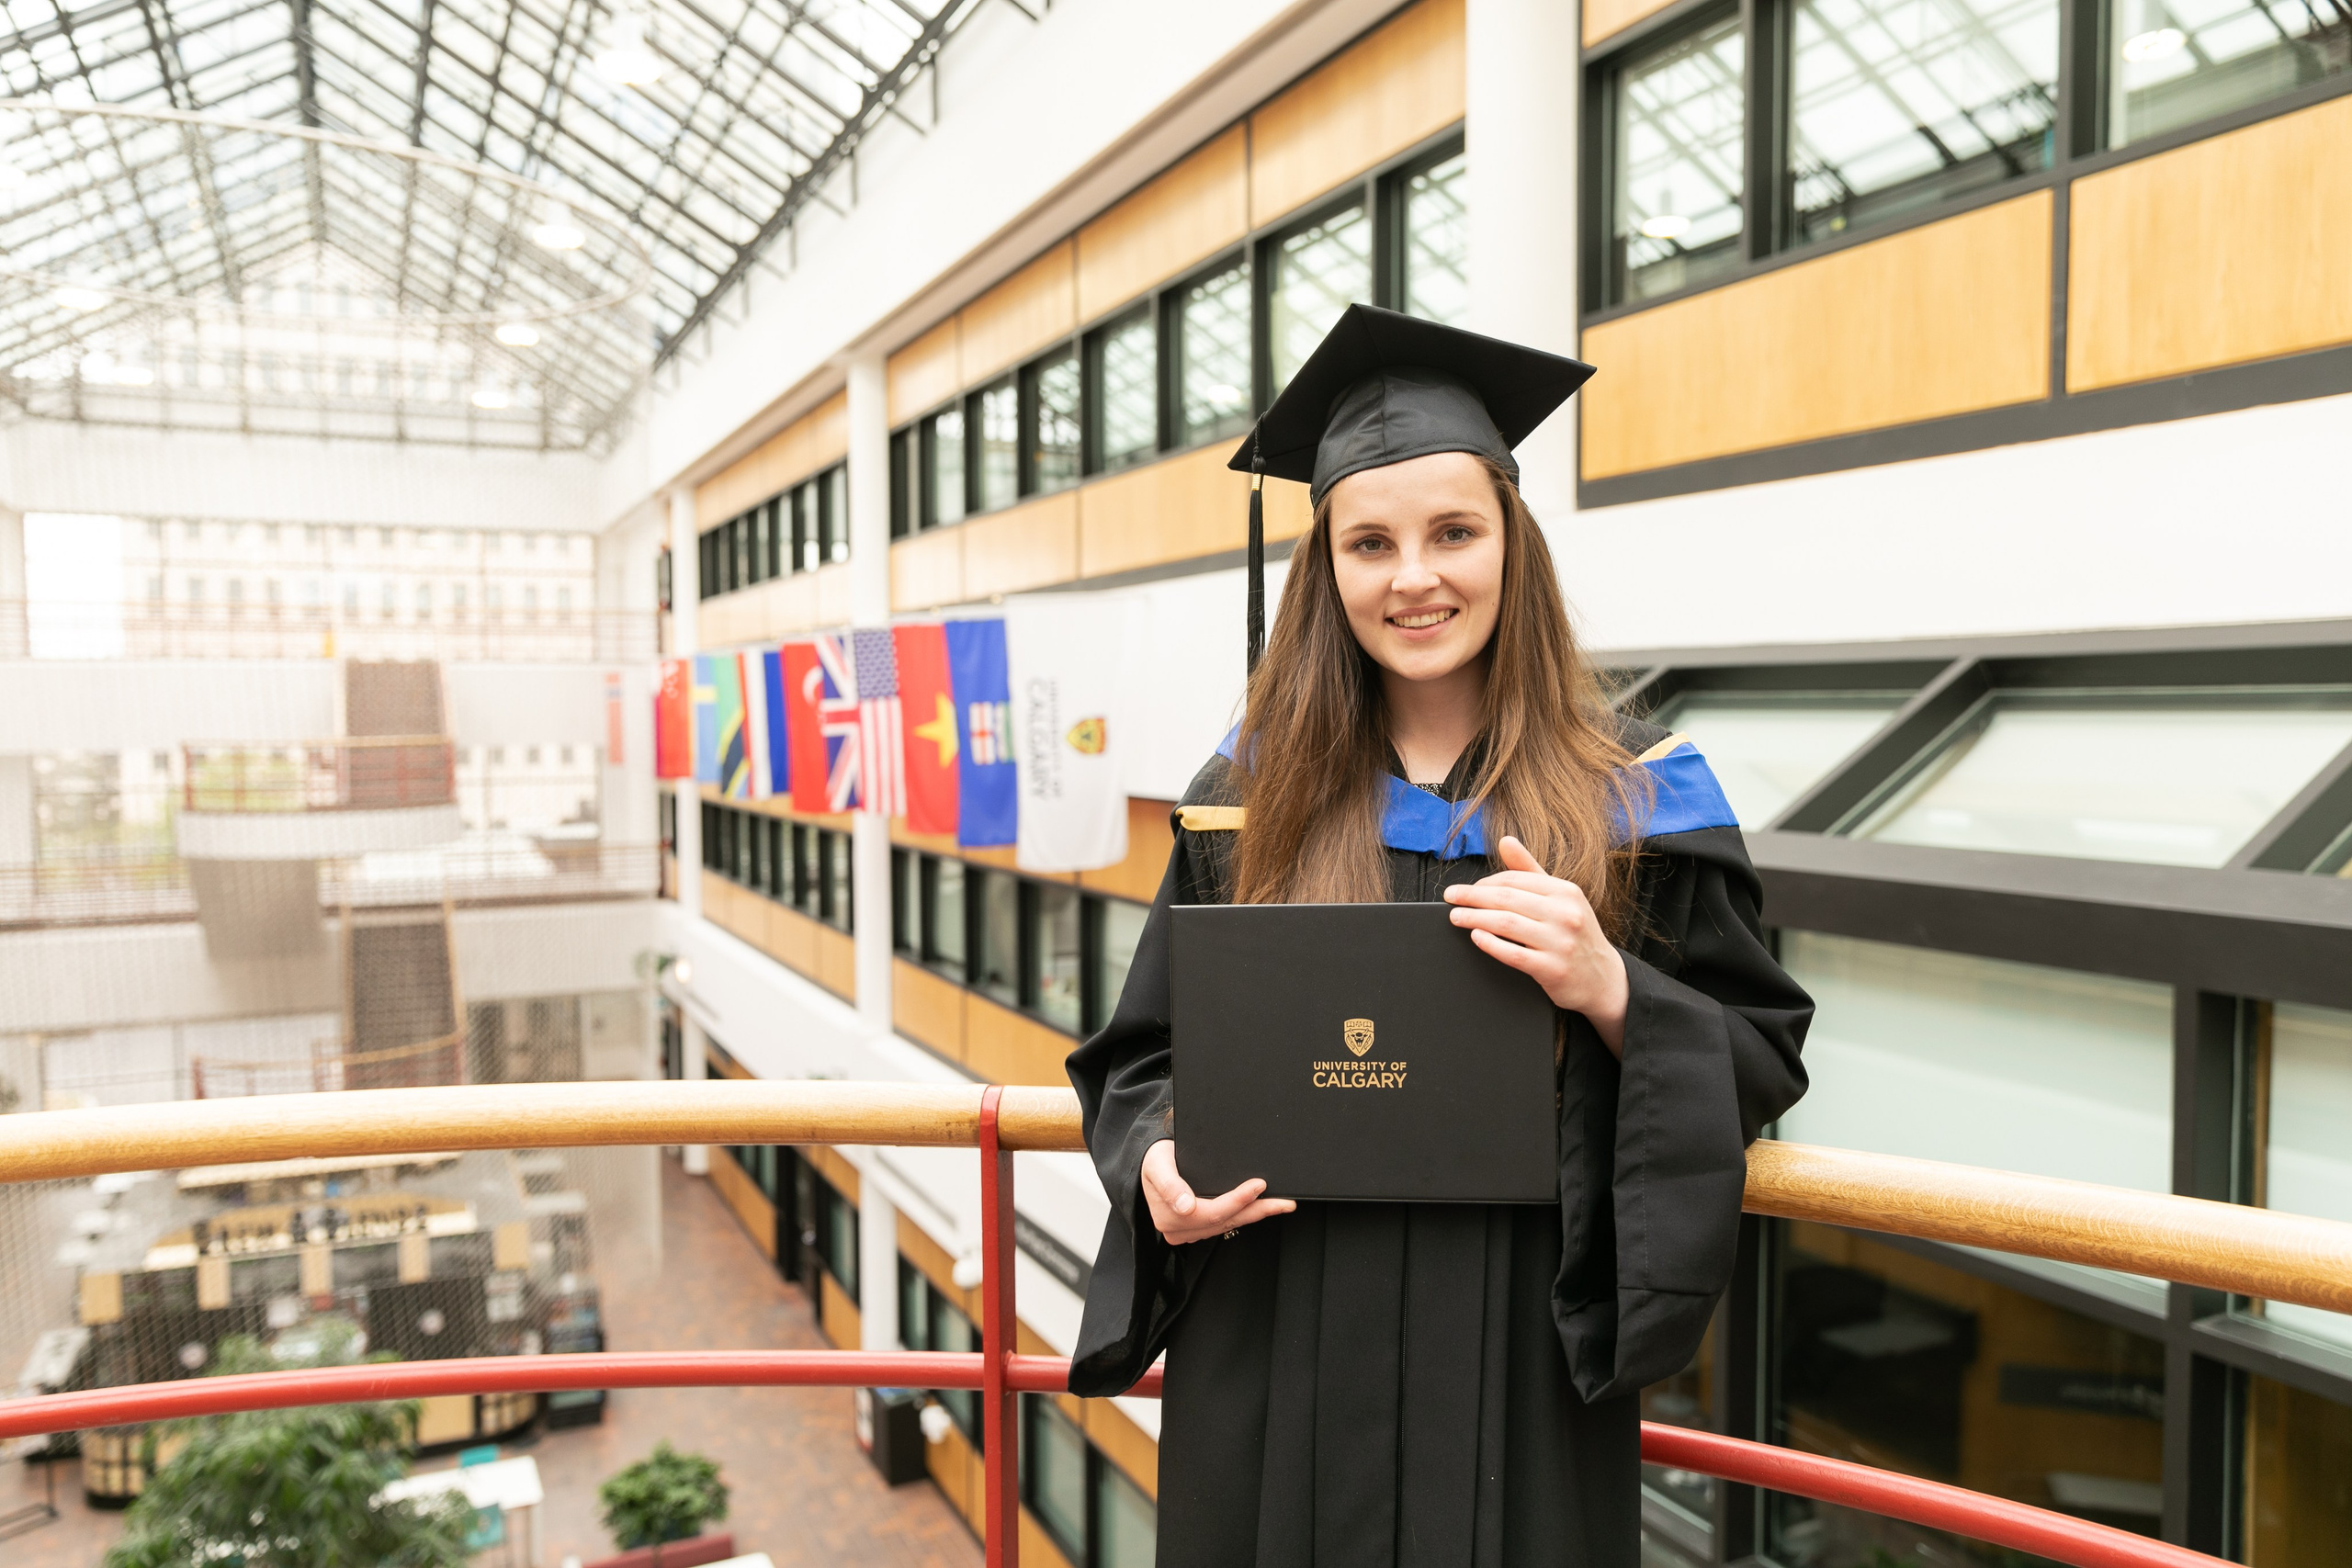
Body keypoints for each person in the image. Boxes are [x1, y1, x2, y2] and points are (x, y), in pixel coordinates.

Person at [1066, 305, 1813, 1568]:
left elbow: (1758, 1053)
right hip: (1277, 1339)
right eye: (1371, 543)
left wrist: (1609, 984)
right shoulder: (1249, 793)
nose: (1415, 577)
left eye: (1454, 532)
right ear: (1330, 569)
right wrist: (1156, 1163)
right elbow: (1141, 1057)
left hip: (1518, 1364)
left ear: (1511, 548)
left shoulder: (1638, 798)